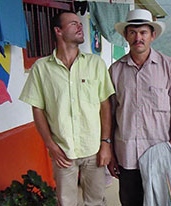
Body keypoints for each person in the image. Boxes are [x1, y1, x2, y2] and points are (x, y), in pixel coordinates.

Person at [19, 11, 115, 205]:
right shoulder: (41, 68)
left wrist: (106, 142)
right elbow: (37, 109)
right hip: (62, 152)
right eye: (73, 24)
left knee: (96, 201)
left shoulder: (95, 64)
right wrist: (50, 145)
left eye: (80, 23)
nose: (80, 27)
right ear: (58, 31)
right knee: (66, 202)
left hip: (93, 149)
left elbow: (105, 105)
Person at [108, 9, 171, 206]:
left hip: (159, 151)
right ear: (126, 36)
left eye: (143, 33)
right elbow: (110, 113)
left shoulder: (169, 66)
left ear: (153, 35)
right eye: (132, 32)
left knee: (162, 201)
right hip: (126, 153)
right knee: (130, 201)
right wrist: (109, 149)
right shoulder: (115, 71)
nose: (138, 38)